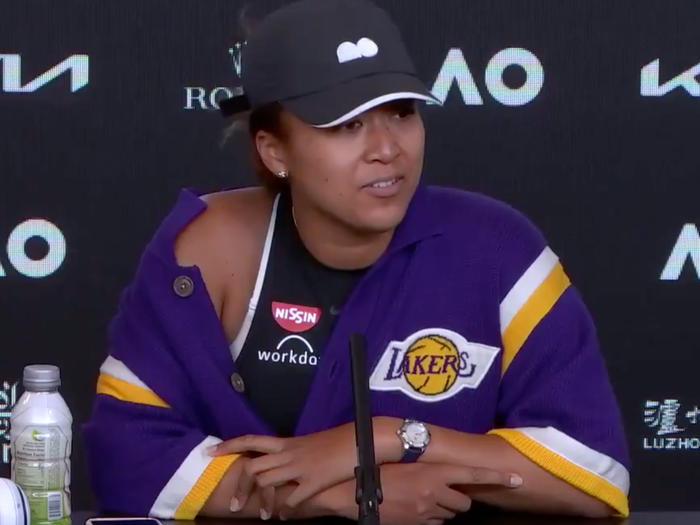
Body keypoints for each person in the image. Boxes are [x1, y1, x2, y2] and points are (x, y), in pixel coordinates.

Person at [81, 0, 631, 523]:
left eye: (401, 113)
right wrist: (346, 495)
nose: (387, 149)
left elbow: (595, 474)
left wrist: (393, 440)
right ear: (275, 151)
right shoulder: (206, 247)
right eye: (347, 124)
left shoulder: (497, 248)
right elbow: (125, 454)